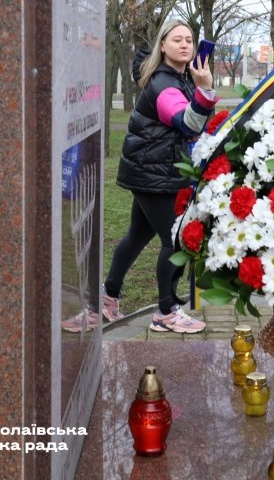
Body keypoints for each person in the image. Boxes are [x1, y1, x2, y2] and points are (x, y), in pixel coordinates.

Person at [62, 19, 217, 334]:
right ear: (163, 46)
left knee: (136, 235)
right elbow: (187, 123)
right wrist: (206, 89)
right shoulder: (165, 84)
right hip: (154, 174)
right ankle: (166, 312)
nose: (185, 45)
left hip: (154, 170)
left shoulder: (180, 77)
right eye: (177, 40)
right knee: (175, 241)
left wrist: (200, 87)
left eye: (189, 39)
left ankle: (104, 302)